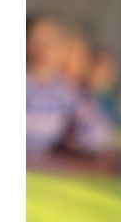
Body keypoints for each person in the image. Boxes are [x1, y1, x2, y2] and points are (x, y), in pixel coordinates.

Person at [26, 15, 113, 155]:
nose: (44, 47)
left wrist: (70, 141)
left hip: (47, 164)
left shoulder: (65, 90)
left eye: (51, 40)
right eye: (37, 39)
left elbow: (99, 128)